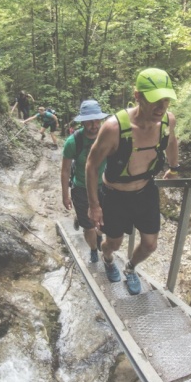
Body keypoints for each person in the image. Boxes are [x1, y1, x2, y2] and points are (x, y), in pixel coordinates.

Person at [85, 68, 180, 295]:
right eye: (155, 100)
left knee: (150, 244)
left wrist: (174, 168)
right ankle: (107, 258)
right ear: (137, 96)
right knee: (113, 244)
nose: (161, 107)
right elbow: (92, 164)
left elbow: (172, 143)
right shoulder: (113, 128)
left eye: (166, 100)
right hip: (115, 196)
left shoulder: (167, 122)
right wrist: (94, 205)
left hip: (145, 191)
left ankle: (130, 268)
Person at [61, 100, 108, 263]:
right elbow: (65, 169)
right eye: (90, 121)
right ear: (83, 121)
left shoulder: (108, 136)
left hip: (105, 187)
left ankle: (96, 232)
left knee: (103, 224)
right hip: (81, 188)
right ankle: (94, 249)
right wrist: (65, 195)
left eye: (97, 120)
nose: (94, 125)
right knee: (88, 227)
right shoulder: (73, 142)